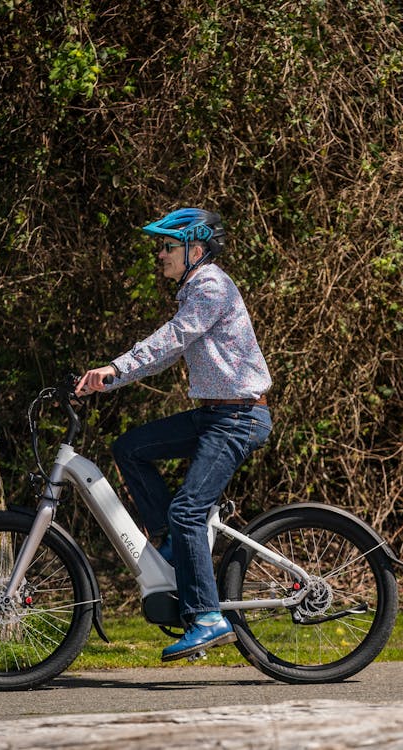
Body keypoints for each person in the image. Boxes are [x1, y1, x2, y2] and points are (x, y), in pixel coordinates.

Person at [76, 207, 272, 662]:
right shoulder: (195, 289)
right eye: (160, 246)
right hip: (216, 416)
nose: (159, 254)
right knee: (130, 447)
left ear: (195, 251)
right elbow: (170, 351)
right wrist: (109, 380)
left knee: (189, 511)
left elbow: (172, 339)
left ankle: (206, 618)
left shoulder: (209, 285)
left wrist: (114, 368)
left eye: (168, 246)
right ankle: (169, 542)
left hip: (238, 418)